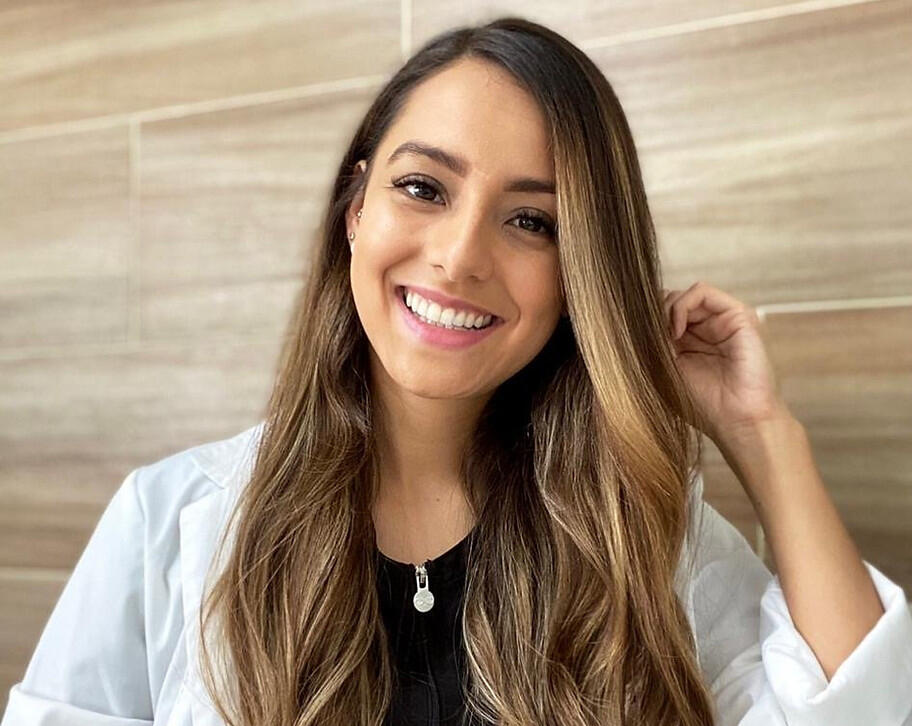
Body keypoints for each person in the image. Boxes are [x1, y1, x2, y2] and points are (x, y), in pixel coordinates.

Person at [4, 16, 912, 726]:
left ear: (581, 275)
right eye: (423, 188)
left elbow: (856, 708)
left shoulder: (641, 537)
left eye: (532, 222)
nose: (459, 256)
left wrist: (762, 433)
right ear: (355, 210)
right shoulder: (167, 523)